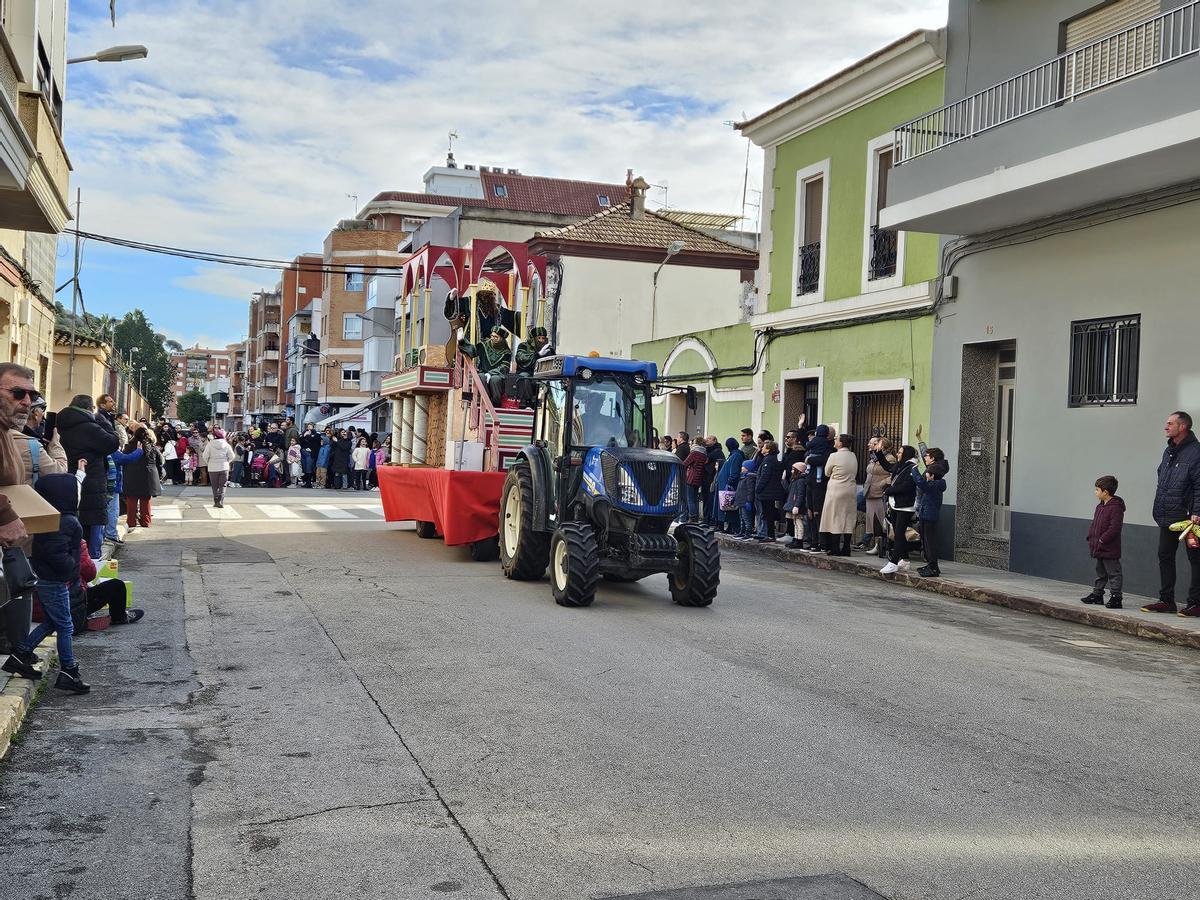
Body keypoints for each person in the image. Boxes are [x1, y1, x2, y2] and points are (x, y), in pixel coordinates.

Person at [2, 471, 89, 693]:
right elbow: (56, 552)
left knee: (53, 621)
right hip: (54, 579)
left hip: (46, 576)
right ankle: (69, 670)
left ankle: (21, 655)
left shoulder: (51, 518)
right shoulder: (67, 522)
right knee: (66, 626)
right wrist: (70, 568)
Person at [1145, 411, 1200, 616]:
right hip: (1168, 515)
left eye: (1170, 423)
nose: (1165, 427)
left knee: (1196, 559)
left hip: (1190, 519)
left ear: (1183, 426)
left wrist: (1197, 511)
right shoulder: (1169, 451)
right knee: (1164, 555)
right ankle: (1166, 600)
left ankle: (1196, 603)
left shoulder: (1196, 452)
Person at [56, 394, 119, 558]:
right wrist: (106, 423)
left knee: (76, 530)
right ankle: (92, 568)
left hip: (70, 480)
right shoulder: (89, 427)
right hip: (92, 483)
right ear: (90, 408)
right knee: (92, 533)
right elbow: (112, 442)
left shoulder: (62, 424)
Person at [1082, 474, 1125, 609]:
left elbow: (1115, 528)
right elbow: (1095, 524)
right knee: (1100, 572)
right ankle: (1097, 595)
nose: (1095, 492)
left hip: (1109, 547)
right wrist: (1091, 536)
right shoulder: (1100, 507)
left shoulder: (1116, 507)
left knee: (1114, 573)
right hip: (1098, 546)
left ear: (1105, 492)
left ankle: (1116, 597)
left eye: (1097, 490)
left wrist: (1102, 539)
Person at [880, 445, 920, 575]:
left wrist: (889, 490)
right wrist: (878, 452)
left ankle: (893, 562)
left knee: (899, 533)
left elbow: (907, 486)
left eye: (900, 452)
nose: (898, 454)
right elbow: (888, 467)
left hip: (905, 506)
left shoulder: (911, 468)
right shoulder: (901, 466)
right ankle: (905, 559)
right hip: (896, 504)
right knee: (898, 533)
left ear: (906, 454)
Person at [820, 433, 858, 556]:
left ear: (841, 443)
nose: (834, 441)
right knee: (848, 517)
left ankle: (835, 547)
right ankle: (846, 547)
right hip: (850, 489)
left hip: (836, 489)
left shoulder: (834, 456)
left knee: (835, 517)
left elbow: (826, 472)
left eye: (836, 439)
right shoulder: (853, 455)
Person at [459, 325, 512, 405]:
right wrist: (462, 341)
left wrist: (491, 373)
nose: (493, 338)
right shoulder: (484, 345)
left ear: (501, 339)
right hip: (483, 372)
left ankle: (495, 403)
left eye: (496, 337)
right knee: (481, 377)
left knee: (495, 380)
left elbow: (504, 367)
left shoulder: (507, 352)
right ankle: (485, 401)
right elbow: (473, 351)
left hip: (498, 374)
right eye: (492, 336)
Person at [915, 454, 949, 577]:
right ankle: (931, 565)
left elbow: (921, 483)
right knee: (926, 541)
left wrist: (914, 470)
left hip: (930, 517)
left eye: (927, 474)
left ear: (932, 476)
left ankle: (933, 567)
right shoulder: (934, 484)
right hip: (925, 515)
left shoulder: (934, 485)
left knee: (930, 543)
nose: (926, 476)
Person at [122, 427, 162, 527]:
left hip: (132, 475)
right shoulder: (151, 446)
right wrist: (159, 474)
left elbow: (124, 460)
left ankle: (131, 522)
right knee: (145, 500)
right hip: (148, 475)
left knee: (131, 499)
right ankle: (146, 521)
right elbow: (159, 461)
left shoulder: (130, 446)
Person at [801, 425, 833, 552]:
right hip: (814, 482)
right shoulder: (828, 446)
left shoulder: (825, 449)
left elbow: (822, 460)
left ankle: (820, 542)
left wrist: (809, 459)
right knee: (811, 513)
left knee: (816, 513)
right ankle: (815, 541)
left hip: (817, 484)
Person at [863, 437, 896, 555]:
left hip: (879, 493)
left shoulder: (890, 459)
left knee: (881, 520)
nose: (870, 445)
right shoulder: (874, 458)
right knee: (872, 521)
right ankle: (875, 543)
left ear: (882, 446)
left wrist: (883, 483)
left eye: (874, 443)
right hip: (870, 492)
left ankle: (880, 545)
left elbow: (893, 475)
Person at [754, 440, 785, 541]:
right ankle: (768, 534)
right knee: (768, 512)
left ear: (768, 449)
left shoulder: (768, 460)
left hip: (767, 491)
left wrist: (758, 488)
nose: (762, 448)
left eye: (764, 447)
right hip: (769, 491)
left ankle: (770, 535)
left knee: (768, 513)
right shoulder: (770, 459)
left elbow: (765, 476)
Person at [715, 437, 745, 534]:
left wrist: (729, 483)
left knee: (731, 509)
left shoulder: (736, 456)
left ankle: (733, 528)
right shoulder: (732, 455)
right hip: (724, 486)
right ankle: (728, 527)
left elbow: (734, 472)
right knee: (727, 508)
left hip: (729, 487)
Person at [203, 427, 234, 508]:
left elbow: (205, 456)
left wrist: (208, 462)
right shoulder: (226, 445)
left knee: (214, 486)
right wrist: (227, 461)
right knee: (223, 485)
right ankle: (220, 500)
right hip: (224, 467)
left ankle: (216, 501)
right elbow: (232, 456)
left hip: (212, 468)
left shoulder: (210, 444)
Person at [681, 438, 708, 523]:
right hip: (698, 478)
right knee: (695, 499)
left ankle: (692, 517)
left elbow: (685, 463)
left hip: (691, 478)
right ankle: (695, 517)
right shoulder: (704, 454)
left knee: (690, 499)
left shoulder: (695, 453)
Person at [784, 461, 808, 550]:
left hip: (797, 505)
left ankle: (799, 540)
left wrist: (797, 505)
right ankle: (796, 539)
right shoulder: (795, 480)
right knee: (795, 523)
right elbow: (789, 490)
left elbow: (801, 494)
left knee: (798, 523)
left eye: (794, 469)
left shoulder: (801, 481)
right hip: (794, 504)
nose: (792, 471)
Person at [733, 457, 758, 539]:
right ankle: (742, 531)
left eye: (743, 467)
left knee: (746, 517)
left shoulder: (749, 478)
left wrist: (749, 501)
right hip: (740, 500)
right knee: (741, 517)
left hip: (745, 501)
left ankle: (748, 532)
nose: (742, 468)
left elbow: (750, 490)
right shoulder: (742, 477)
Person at [300, 424, 321, 488]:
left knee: (309, 467)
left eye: (310, 426)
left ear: (313, 427)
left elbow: (314, 440)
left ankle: (309, 482)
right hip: (303, 452)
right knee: (304, 467)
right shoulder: (304, 433)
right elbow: (300, 439)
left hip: (310, 453)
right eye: (308, 426)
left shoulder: (316, 434)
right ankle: (306, 481)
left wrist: (308, 435)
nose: (309, 427)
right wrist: (304, 435)